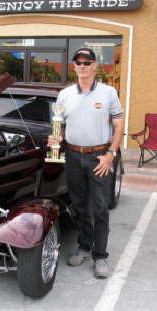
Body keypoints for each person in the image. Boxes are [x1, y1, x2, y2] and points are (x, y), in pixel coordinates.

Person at [48, 48, 124, 278]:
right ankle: (84, 246)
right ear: (74, 66)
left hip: (98, 156)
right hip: (72, 156)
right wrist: (55, 137)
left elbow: (119, 125)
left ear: (94, 66)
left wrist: (111, 153)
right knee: (79, 206)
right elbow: (58, 125)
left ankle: (100, 256)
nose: (82, 66)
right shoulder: (64, 94)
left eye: (86, 62)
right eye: (78, 62)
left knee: (100, 207)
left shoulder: (109, 92)